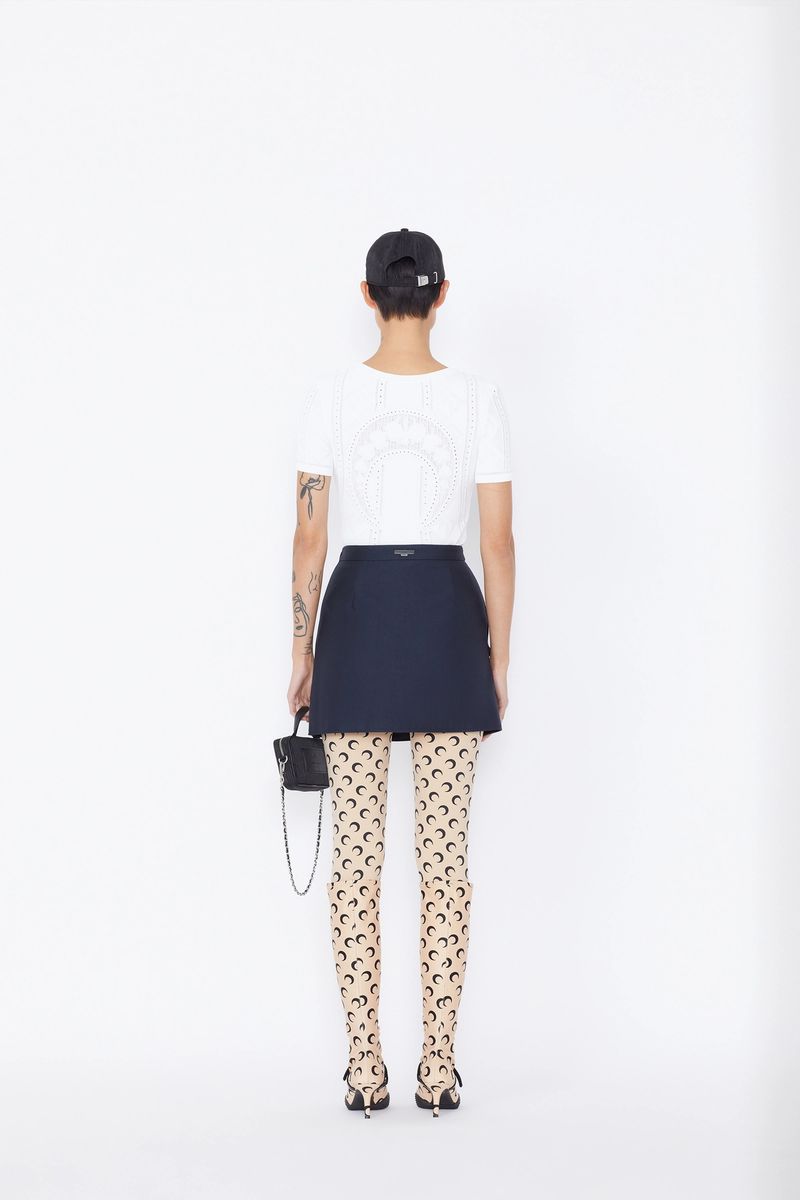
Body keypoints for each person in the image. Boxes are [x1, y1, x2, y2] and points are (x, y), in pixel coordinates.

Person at [287, 228, 515, 1118]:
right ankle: (438, 1072)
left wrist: (301, 650)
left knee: (356, 861)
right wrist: (498, 658)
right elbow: (497, 542)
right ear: (442, 294)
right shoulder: (478, 399)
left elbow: (310, 536)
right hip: (448, 624)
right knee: (444, 860)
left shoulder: (332, 396)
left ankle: (364, 1072)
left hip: (356, 623)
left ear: (367, 294)